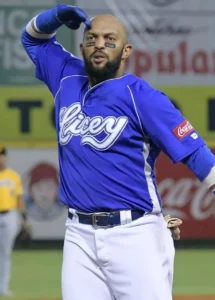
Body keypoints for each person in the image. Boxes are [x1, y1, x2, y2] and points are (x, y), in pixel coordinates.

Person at [21, 5, 215, 300]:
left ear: (126, 51)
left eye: (110, 40)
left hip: (135, 235)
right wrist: (56, 16)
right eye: (92, 38)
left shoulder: (143, 97)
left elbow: (197, 155)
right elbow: (32, 39)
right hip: (78, 236)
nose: (100, 44)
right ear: (84, 46)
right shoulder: (65, 76)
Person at [0, 146, 30, 296]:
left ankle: (3, 287)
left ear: (6, 157)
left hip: (9, 215)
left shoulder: (13, 176)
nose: (1, 158)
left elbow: (19, 199)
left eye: (2, 155)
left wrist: (25, 219)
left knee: (5, 253)